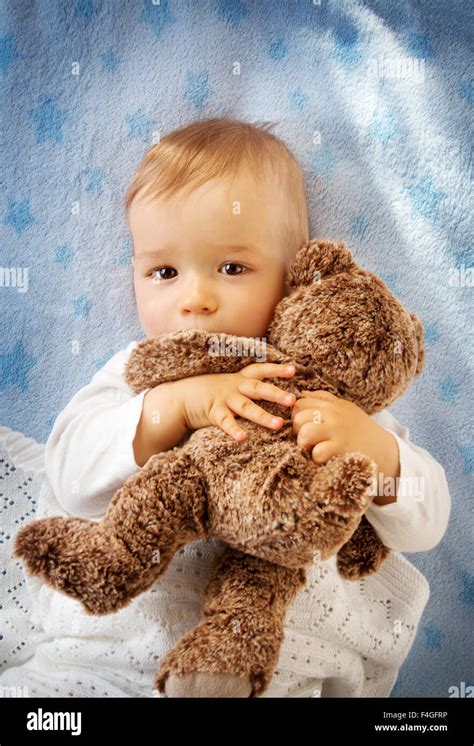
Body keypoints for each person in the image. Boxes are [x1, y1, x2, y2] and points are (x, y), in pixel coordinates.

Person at [8, 117, 451, 698]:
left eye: (233, 268)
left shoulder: (323, 387)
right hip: (114, 651)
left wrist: (378, 452)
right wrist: (174, 407)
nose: (195, 299)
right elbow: (70, 474)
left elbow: (430, 518)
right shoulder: (141, 372)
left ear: (294, 275)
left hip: (277, 662)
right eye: (164, 272)